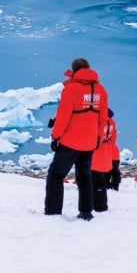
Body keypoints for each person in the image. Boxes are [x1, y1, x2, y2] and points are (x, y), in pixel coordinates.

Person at [45, 58, 110, 220]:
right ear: (88, 68)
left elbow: (63, 116)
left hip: (70, 141)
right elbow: (103, 118)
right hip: (89, 142)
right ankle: (86, 212)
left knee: (56, 175)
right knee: (85, 176)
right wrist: (99, 138)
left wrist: (55, 136)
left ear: (74, 71)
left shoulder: (71, 89)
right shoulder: (101, 89)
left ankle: (53, 212)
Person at [91, 107, 118, 212]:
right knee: (101, 180)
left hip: (95, 154)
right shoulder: (111, 122)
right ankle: (102, 204)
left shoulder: (97, 122)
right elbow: (113, 139)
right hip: (105, 154)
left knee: (94, 181)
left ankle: (97, 205)